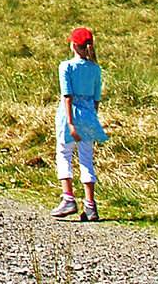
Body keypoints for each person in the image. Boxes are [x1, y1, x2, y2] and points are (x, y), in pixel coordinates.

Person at [53, 27, 107, 221]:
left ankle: (68, 198)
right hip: (89, 115)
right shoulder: (95, 68)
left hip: (71, 115)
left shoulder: (66, 67)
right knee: (86, 159)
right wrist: (92, 119)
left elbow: (67, 96)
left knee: (64, 154)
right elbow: (96, 98)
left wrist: (70, 123)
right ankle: (90, 205)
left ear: (74, 45)